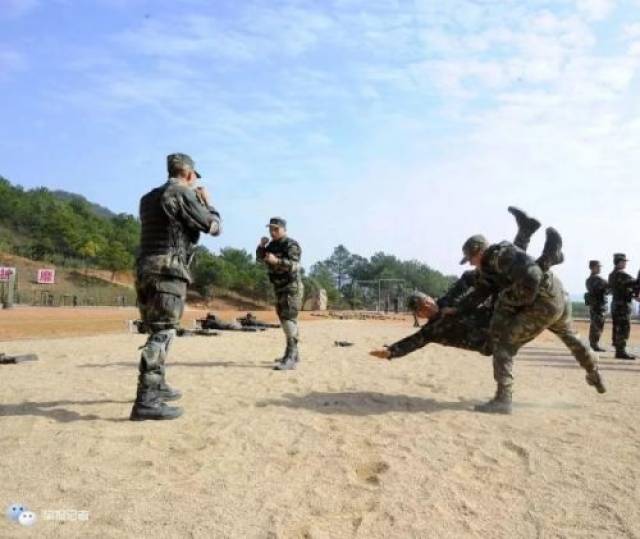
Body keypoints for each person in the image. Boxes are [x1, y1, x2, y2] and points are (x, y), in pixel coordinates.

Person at [130, 153, 221, 421]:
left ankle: (157, 385)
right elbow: (213, 228)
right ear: (189, 174)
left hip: (145, 269)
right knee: (163, 333)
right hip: (168, 271)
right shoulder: (181, 192)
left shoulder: (148, 198)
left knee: (156, 329)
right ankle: (146, 400)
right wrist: (209, 204)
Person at [257, 217, 303, 370]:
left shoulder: (291, 245)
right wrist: (261, 247)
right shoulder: (272, 245)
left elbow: (295, 265)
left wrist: (277, 261)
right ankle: (292, 354)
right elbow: (260, 259)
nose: (272, 231)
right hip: (279, 287)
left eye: (276, 229)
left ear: (284, 229)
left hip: (291, 287)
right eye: (270, 229)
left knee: (288, 320)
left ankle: (291, 356)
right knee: (285, 320)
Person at [608, 253, 637, 360]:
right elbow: (635, 283)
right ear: (619, 262)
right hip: (622, 305)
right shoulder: (621, 274)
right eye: (624, 261)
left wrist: (633, 294)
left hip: (616, 303)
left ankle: (619, 350)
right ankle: (621, 351)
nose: (625, 263)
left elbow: (625, 287)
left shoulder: (612, 275)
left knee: (617, 327)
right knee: (623, 327)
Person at [585, 260, 609, 352]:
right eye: (598, 267)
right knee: (598, 325)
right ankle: (594, 345)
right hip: (599, 306)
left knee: (595, 325)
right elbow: (609, 288)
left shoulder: (589, 280)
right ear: (593, 268)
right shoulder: (597, 279)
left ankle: (593, 344)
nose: (599, 268)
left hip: (594, 306)